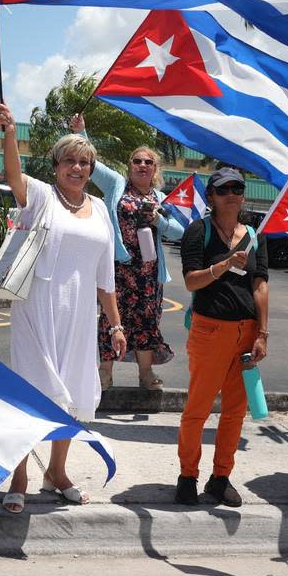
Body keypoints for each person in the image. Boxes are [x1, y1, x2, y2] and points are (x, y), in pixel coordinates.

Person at [0, 102, 124, 514]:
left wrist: (116, 326)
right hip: (37, 308)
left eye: (85, 162)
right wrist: (10, 133)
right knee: (31, 392)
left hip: (81, 315)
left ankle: (57, 472)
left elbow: (107, 277)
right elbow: (13, 175)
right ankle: (19, 476)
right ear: (56, 165)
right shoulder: (41, 195)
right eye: (70, 160)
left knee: (71, 391)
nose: (78, 168)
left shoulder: (101, 209)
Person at [70, 113, 185, 390]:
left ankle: (145, 374)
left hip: (148, 275)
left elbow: (181, 232)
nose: (142, 165)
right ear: (129, 166)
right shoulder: (117, 185)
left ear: (155, 169)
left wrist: (160, 221)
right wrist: (81, 132)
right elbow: (93, 165)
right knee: (111, 321)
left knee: (147, 322)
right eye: (137, 161)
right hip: (117, 270)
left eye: (148, 162)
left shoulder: (162, 199)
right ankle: (105, 374)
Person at [176, 166, 269, 508]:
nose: (231, 193)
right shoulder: (198, 231)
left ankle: (221, 478)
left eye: (237, 188)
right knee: (197, 409)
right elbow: (191, 282)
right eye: (223, 188)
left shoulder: (255, 235)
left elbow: (260, 284)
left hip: (246, 333)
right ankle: (187, 476)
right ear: (212, 196)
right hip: (210, 330)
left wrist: (262, 332)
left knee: (235, 412)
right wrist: (225, 264)